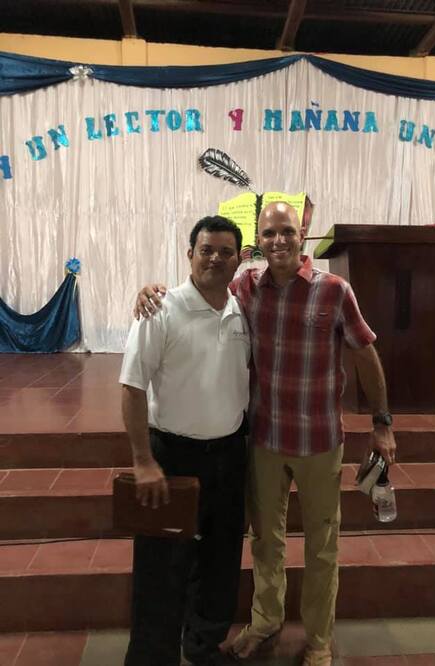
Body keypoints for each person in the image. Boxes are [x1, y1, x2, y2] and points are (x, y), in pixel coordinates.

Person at [135, 202, 397, 666]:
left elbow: (365, 353)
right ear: (258, 241)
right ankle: (265, 622)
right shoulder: (246, 288)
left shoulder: (334, 290)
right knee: (265, 542)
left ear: (303, 234)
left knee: (322, 546)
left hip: (319, 442)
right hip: (264, 442)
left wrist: (382, 425)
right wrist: (151, 291)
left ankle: (318, 640)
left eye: (287, 231)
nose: (279, 240)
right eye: (270, 233)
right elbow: (201, 284)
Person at [120, 216, 251, 666]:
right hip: (172, 457)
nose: (215, 258)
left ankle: (202, 646)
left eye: (225, 252)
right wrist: (142, 460)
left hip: (230, 457)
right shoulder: (160, 309)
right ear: (190, 254)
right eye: (206, 250)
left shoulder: (241, 309)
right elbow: (132, 387)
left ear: (238, 259)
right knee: (161, 568)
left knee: (220, 562)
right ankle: (151, 657)